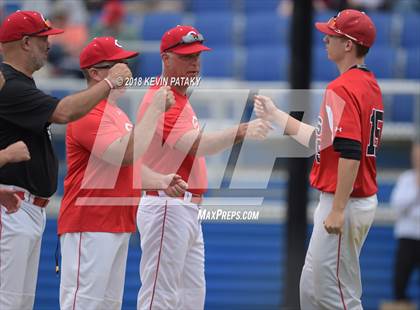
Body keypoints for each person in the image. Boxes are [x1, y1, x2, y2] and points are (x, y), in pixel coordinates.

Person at [0, 11, 131, 309]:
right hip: (13, 208)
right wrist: (109, 84)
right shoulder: (9, 84)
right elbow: (64, 112)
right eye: (43, 38)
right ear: (24, 42)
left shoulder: (21, 84)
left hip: (26, 208)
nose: (49, 44)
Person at [254, 9, 384, 309]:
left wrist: (337, 209)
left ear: (349, 44)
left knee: (336, 296)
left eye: (333, 35)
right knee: (312, 289)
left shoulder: (341, 87)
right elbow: (320, 142)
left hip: (345, 201)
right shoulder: (366, 84)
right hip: (348, 199)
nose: (326, 39)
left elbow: (350, 153)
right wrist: (275, 115)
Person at [136, 25, 272, 310]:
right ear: (166, 59)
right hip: (167, 206)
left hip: (184, 208)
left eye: (197, 56)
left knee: (190, 300)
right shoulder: (164, 96)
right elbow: (196, 145)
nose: (194, 63)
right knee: (160, 298)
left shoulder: (179, 97)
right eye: (186, 56)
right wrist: (242, 129)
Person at [57, 36, 186, 310]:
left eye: (125, 63)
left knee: (107, 305)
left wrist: (160, 180)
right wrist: (154, 110)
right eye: (117, 65)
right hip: (90, 222)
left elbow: (128, 168)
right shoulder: (87, 112)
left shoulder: (115, 113)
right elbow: (125, 154)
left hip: (115, 222)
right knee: (84, 305)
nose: (126, 70)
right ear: (95, 73)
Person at [391, 141, 420, 304]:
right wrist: (416, 188)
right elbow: (398, 205)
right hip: (407, 237)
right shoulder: (406, 179)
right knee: (400, 281)